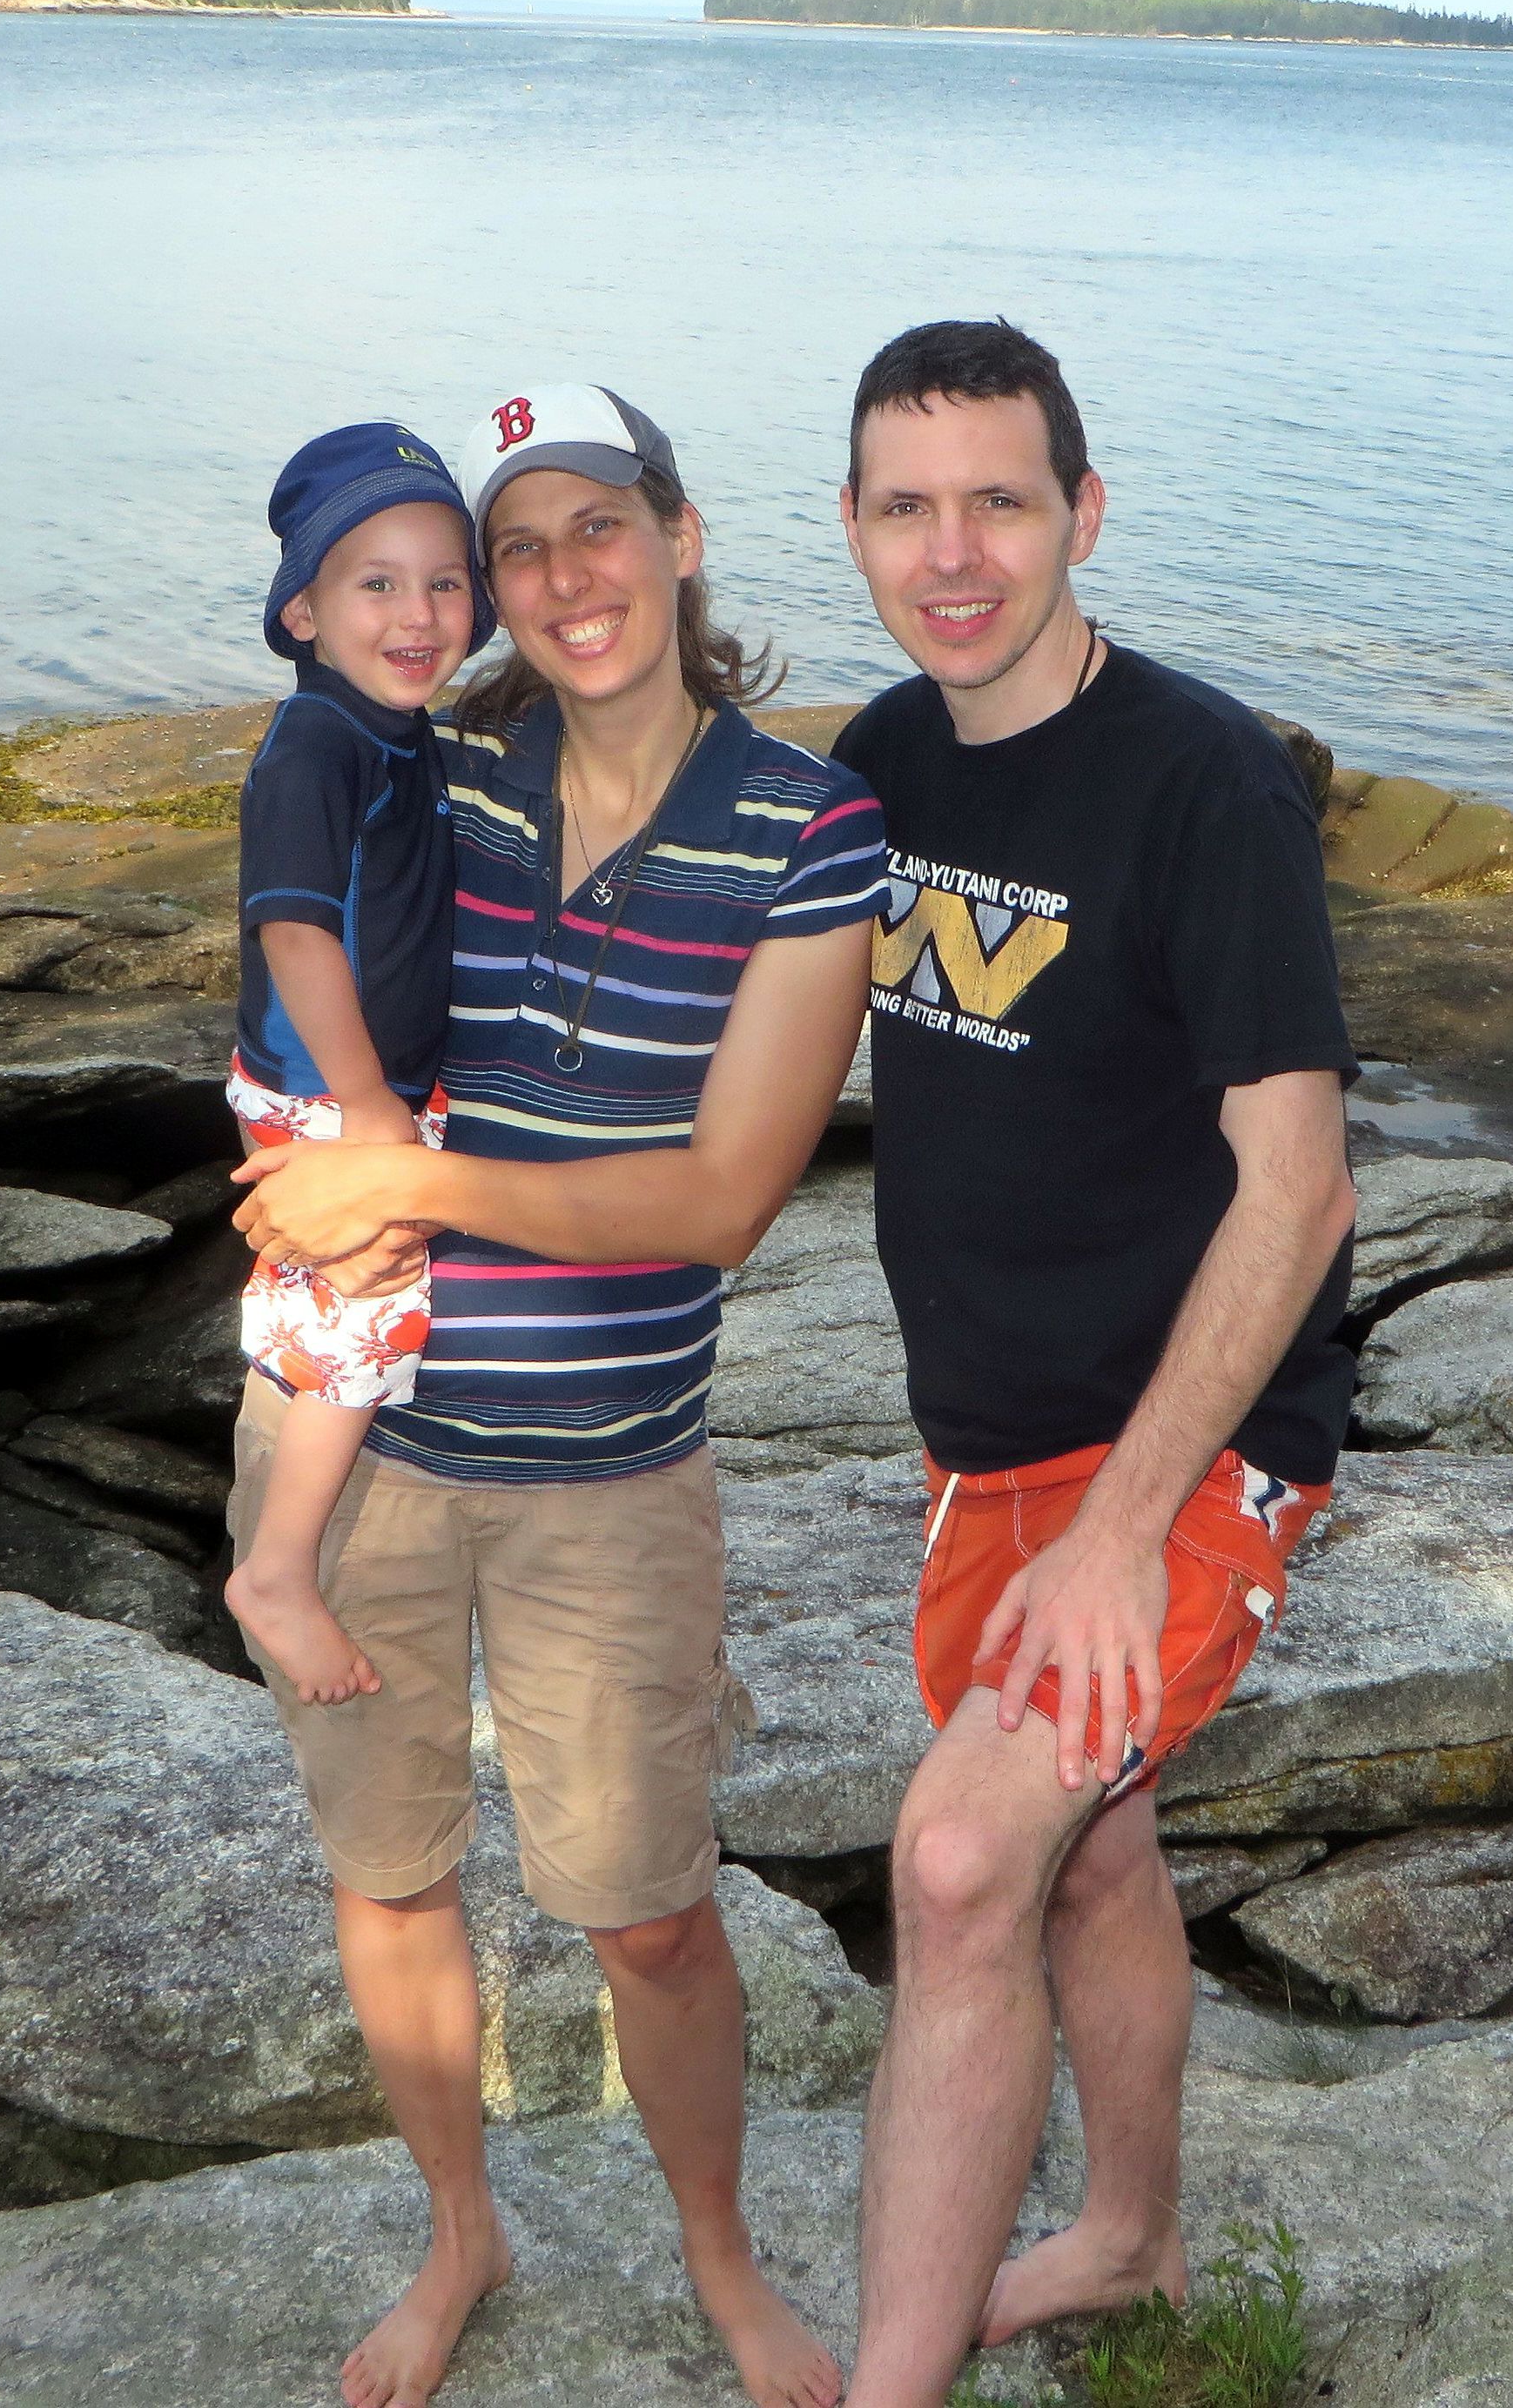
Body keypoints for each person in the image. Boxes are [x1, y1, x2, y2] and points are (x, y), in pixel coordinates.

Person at [228, 382, 890, 2408]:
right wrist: (299, 1141)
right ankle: (461, 2233)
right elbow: (295, 923)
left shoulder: (812, 828)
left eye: (597, 524)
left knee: (650, 1920)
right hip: (360, 1459)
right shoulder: (448, 774)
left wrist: (400, 1181)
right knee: (389, 1877)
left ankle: (721, 2256)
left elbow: (719, 1203)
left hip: (609, 1474)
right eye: (518, 548)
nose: (560, 576)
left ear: (680, 537)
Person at [826, 319, 1360, 2407]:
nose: (953, 552)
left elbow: (1300, 1192)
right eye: (907, 506)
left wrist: (1127, 1532)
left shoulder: (1205, 784)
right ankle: (1129, 2237)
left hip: (1188, 1452)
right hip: (987, 1446)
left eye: (1000, 500)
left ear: (1085, 514)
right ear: (853, 529)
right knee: (1089, 1846)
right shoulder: (883, 757)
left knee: (964, 1858)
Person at [222, 421, 495, 1706]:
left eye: (445, 582)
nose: (417, 613)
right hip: (325, 1085)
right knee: (369, 1310)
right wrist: (370, 1102)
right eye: (375, 583)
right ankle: (277, 1571)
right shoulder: (316, 747)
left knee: (338, 1292)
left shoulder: (397, 732)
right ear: (304, 614)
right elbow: (294, 931)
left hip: (358, 1083)